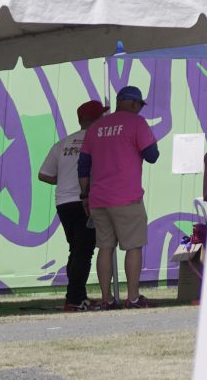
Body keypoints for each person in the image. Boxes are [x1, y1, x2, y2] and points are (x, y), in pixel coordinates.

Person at [81, 84, 161, 308]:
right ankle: (132, 297)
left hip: (98, 199)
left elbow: (83, 165)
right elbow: (152, 155)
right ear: (133, 103)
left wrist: (85, 195)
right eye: (139, 105)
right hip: (126, 197)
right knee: (133, 246)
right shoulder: (137, 123)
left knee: (105, 247)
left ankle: (106, 299)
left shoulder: (96, 127)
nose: (140, 109)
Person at [34, 99, 106, 312]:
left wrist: (65, 179)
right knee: (84, 251)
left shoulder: (63, 143)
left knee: (75, 250)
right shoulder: (98, 141)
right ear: (95, 119)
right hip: (86, 201)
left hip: (63, 202)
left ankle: (77, 296)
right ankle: (74, 298)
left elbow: (43, 174)